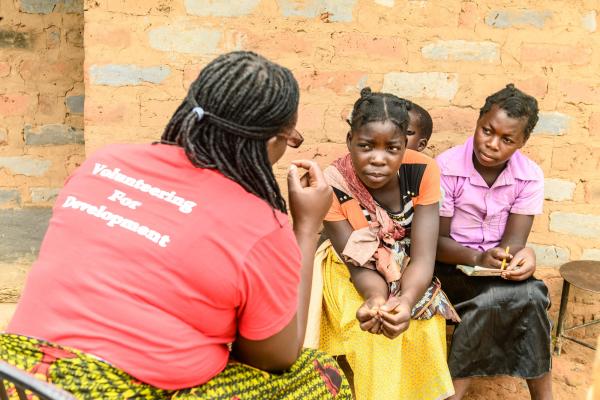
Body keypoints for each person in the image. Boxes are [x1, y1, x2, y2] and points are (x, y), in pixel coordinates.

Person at [0, 51, 352, 399]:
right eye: (291, 139)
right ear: (274, 140)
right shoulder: (260, 225)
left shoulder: (103, 163)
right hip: (111, 391)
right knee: (319, 376)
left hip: (19, 375)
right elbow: (274, 358)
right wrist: (306, 227)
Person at [315, 87, 459, 400]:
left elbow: (423, 256)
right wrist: (376, 300)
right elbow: (358, 264)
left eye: (392, 149)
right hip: (347, 268)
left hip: (406, 264)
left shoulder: (423, 171)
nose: (379, 159)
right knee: (373, 331)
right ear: (350, 140)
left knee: (425, 320)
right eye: (366, 146)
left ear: (404, 146)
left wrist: (405, 301)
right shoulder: (334, 183)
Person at [435, 84, 552, 400]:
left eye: (507, 139)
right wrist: (477, 258)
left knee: (534, 294)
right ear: (478, 121)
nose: (491, 144)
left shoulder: (529, 175)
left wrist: (519, 257)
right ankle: (454, 394)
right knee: (505, 300)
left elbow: (513, 243)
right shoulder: (446, 168)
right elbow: (435, 243)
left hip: (492, 272)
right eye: (487, 130)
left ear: (522, 143)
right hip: (448, 268)